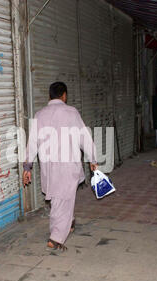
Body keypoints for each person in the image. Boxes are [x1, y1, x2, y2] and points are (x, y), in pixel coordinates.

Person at [23, 82, 98, 252]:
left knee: (61, 199)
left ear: (50, 96)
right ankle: (56, 237)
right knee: (62, 200)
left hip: (49, 167)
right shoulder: (71, 112)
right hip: (67, 165)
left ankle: (69, 222)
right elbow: (84, 138)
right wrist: (92, 158)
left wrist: (27, 167)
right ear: (64, 95)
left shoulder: (39, 115)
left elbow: (32, 143)